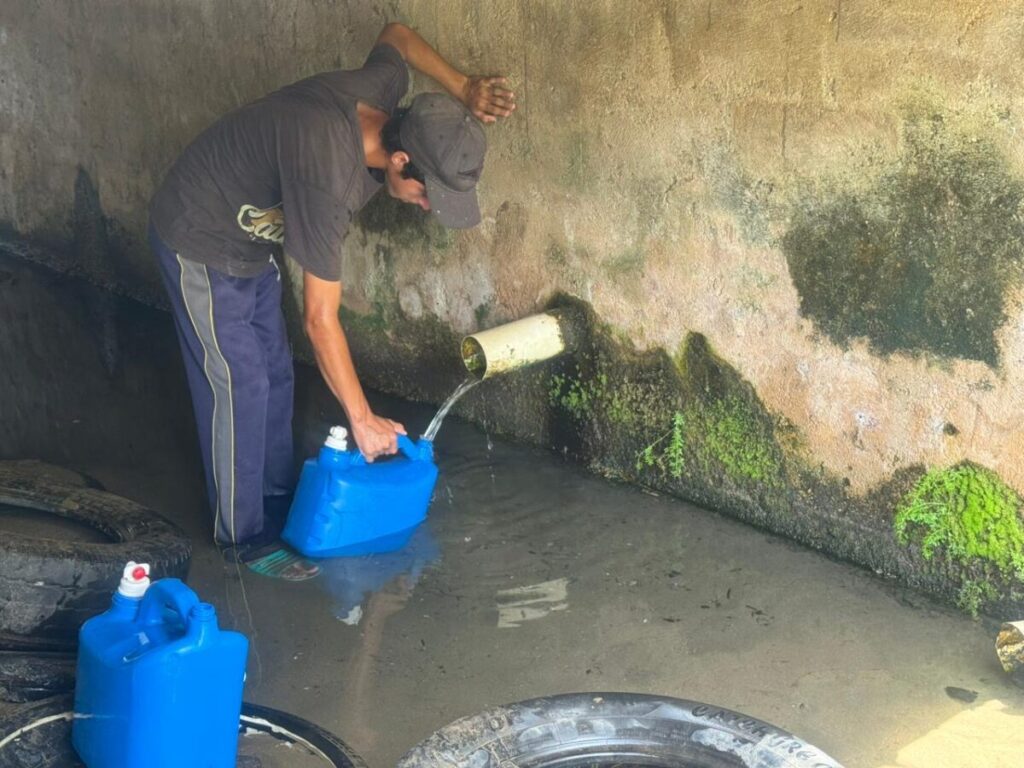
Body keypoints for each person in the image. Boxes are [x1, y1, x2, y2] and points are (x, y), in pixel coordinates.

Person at [148, 23, 515, 579]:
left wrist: (463, 87)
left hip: (251, 238)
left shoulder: (385, 92)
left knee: (275, 371)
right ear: (399, 161)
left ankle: (274, 496)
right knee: (237, 380)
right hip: (199, 232)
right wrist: (362, 419)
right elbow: (321, 321)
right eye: (425, 193)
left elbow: (399, 34)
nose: (424, 207)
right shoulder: (328, 176)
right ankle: (241, 536)